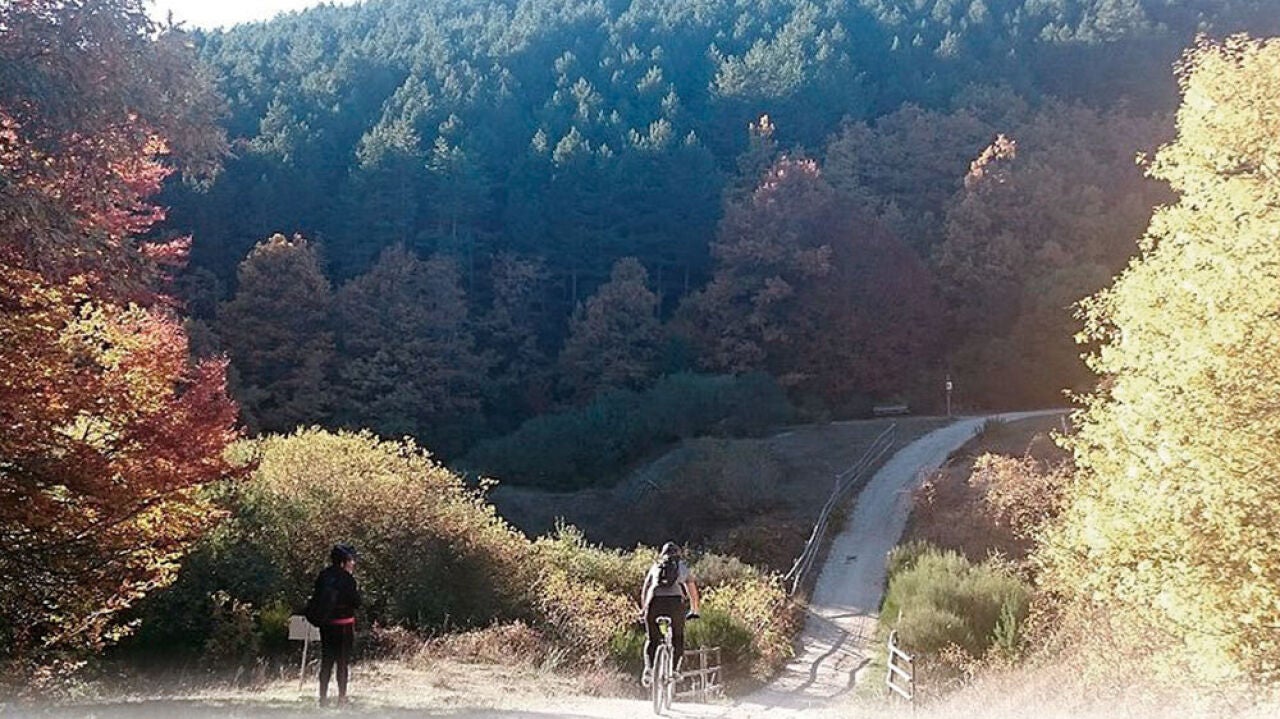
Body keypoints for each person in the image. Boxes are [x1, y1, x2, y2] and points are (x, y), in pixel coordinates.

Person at [640, 541, 700, 687]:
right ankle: (674, 670)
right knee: (678, 637)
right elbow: (692, 591)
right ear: (678, 555)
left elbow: (646, 589)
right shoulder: (682, 567)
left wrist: (644, 609)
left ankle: (648, 669)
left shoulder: (656, 566)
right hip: (675, 605)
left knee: (652, 639)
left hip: (655, 603)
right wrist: (694, 609)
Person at [312, 544, 362, 707]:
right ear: (343, 561)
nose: (352, 563)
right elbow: (356, 603)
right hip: (344, 626)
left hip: (326, 626)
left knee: (326, 661)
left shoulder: (323, 576)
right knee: (342, 664)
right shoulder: (348, 579)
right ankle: (341, 699)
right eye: (351, 560)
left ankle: (323, 698)